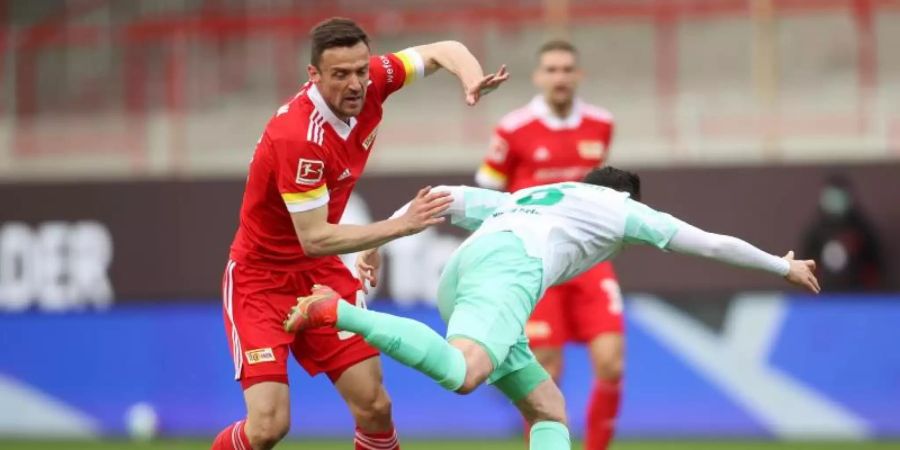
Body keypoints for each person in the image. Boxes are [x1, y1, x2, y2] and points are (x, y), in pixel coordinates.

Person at [283, 167, 821, 450]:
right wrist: (782, 266)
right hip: (511, 269)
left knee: (549, 409)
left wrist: (378, 240)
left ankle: (342, 311)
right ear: (627, 197)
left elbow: (446, 197)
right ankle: (338, 312)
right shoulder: (620, 209)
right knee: (464, 373)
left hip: (471, 268)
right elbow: (706, 242)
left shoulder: (537, 195)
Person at [213, 17, 508, 450]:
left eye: (361, 71)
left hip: (319, 275)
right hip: (260, 282)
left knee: (375, 407)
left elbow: (443, 48)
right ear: (313, 75)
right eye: (340, 75)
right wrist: (398, 228)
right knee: (268, 427)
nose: (355, 84)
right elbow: (313, 237)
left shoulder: (374, 81)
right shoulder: (299, 138)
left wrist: (471, 79)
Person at [474, 39, 622, 449]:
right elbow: (487, 190)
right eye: (552, 70)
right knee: (545, 367)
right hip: (536, 262)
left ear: (578, 75)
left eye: (566, 69)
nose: (560, 77)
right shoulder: (513, 129)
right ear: (539, 77)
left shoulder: (601, 123)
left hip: (589, 258)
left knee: (611, 361)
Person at [801, 175, 884, 291]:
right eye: (830, 196)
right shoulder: (816, 231)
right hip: (823, 295)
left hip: (857, 295)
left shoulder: (861, 229)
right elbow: (806, 263)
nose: (834, 201)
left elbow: (874, 263)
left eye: (838, 196)